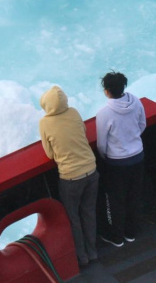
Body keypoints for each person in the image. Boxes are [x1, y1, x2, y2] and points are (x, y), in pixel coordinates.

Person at [39, 86, 100, 266]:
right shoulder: (73, 112)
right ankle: (93, 252)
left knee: (73, 218)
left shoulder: (44, 123)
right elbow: (83, 132)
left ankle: (82, 258)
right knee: (89, 213)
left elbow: (50, 154)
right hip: (91, 170)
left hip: (71, 177)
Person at [95, 71, 146, 247]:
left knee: (115, 200)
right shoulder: (137, 102)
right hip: (138, 156)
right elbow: (142, 125)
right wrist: (131, 142)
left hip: (116, 163)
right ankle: (131, 233)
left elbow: (101, 144)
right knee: (134, 195)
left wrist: (109, 156)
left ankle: (117, 237)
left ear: (107, 91)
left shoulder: (104, 113)